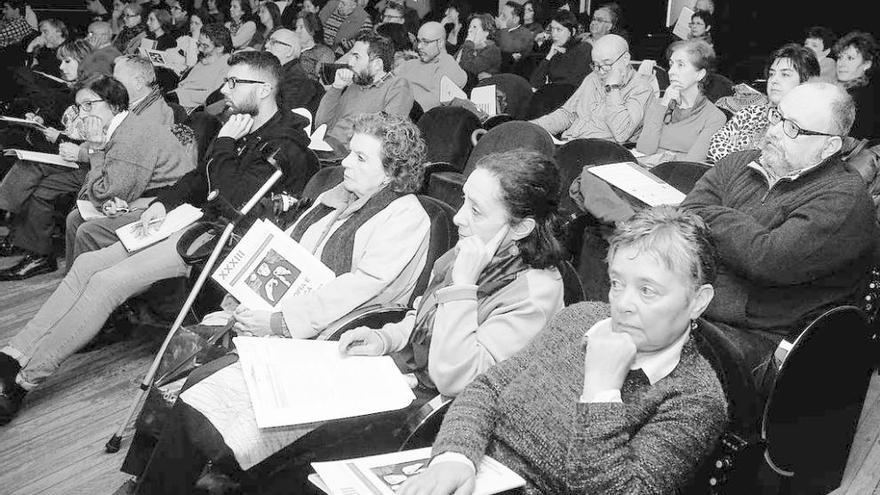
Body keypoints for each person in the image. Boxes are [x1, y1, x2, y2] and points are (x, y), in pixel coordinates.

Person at [0, 52, 319, 424]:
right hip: (194, 220)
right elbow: (199, 178)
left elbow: (236, 202)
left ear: (264, 89)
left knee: (107, 282)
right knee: (89, 263)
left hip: (226, 239)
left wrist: (225, 144)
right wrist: (164, 204)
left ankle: (23, 381)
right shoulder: (242, 125)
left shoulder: (284, 144)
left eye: (234, 82)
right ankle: (14, 353)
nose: (225, 89)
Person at [124, 112, 434, 494]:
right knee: (188, 344)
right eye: (349, 153)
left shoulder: (405, 216)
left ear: (391, 174)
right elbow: (285, 248)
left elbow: (358, 289)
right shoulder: (336, 195)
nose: (346, 163)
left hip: (330, 334)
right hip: (286, 313)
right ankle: (149, 478)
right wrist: (241, 294)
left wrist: (278, 321)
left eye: (360, 158)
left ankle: (176, 479)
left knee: (201, 381)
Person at [398, 206, 727, 495]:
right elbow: (487, 388)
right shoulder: (580, 318)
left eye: (647, 290)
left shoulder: (695, 399)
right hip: (479, 473)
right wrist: (455, 458)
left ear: (697, 301)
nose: (623, 304)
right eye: (616, 282)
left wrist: (601, 391)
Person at [682, 82, 877, 390]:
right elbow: (685, 217)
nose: (772, 131)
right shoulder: (738, 162)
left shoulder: (844, 200)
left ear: (829, 147)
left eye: (793, 128)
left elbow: (765, 259)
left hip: (762, 342)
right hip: (693, 303)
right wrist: (740, 237)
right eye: (777, 116)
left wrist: (711, 216)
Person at [339, 148, 565, 396]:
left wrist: (463, 287)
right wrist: (385, 339)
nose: (458, 217)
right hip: (415, 377)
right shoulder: (473, 250)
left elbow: (458, 380)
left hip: (455, 413)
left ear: (521, 227)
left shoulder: (534, 295)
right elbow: (426, 317)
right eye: (464, 200)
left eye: (476, 211)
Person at [0, 74, 194, 281]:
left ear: (114, 105)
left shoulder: (131, 137)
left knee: (84, 227)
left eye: (88, 105)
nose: (82, 115)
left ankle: (79, 286)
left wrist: (94, 149)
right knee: (74, 217)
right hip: (145, 195)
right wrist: (94, 149)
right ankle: (74, 283)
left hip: (167, 206)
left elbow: (103, 196)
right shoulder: (121, 124)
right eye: (79, 107)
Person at [531, 34, 653, 143]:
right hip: (570, 143)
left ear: (625, 59)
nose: (600, 72)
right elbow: (567, 115)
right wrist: (531, 127)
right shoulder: (593, 78)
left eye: (606, 64)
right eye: (596, 64)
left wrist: (612, 88)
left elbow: (622, 134)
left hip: (603, 151)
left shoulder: (641, 88)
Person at [707, 44, 819, 163]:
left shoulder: (805, 126)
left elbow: (778, 166)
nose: (774, 80)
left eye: (785, 74)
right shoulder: (750, 113)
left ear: (805, 82)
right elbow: (714, 148)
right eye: (771, 74)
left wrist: (737, 152)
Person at [315, 32, 413, 153]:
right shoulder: (354, 84)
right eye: (351, 56)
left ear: (377, 65)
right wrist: (336, 87)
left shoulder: (397, 87)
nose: (350, 63)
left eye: (356, 57)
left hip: (351, 155)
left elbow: (388, 134)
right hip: (325, 148)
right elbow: (321, 125)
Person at [636, 39, 726, 164]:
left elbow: (691, 163)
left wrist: (659, 156)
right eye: (671, 64)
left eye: (681, 65)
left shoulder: (714, 117)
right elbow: (644, 149)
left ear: (700, 74)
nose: (671, 71)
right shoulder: (658, 104)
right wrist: (663, 106)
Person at [398, 21, 466, 111]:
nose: (419, 47)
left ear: (440, 43)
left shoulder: (449, 67)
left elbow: (431, 102)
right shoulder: (410, 64)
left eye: (426, 42)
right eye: (418, 41)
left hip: (411, 116)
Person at [168, 22, 231, 108]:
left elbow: (212, 97)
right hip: (177, 97)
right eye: (199, 44)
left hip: (191, 107)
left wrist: (179, 95)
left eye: (205, 46)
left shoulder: (227, 66)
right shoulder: (207, 57)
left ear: (220, 48)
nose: (200, 49)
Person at [529, 10, 590, 95]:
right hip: (553, 97)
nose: (554, 34)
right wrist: (549, 57)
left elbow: (570, 83)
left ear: (572, 31)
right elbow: (534, 82)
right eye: (552, 29)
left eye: (559, 30)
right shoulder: (555, 49)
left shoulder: (583, 49)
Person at [265, 27, 322, 114]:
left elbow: (281, 116)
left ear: (289, 51)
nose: (266, 45)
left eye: (273, 42)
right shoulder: (276, 72)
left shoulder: (296, 80)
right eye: (268, 41)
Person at [834, 31, 879, 139]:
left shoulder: (862, 98)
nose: (841, 64)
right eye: (840, 57)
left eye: (850, 58)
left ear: (866, 64)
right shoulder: (841, 90)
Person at [454, 13, 500, 81]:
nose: (469, 30)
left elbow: (469, 69)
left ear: (486, 32)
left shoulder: (492, 49)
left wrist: (468, 44)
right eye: (470, 27)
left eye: (474, 27)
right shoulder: (468, 46)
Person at [294, 11, 335, 81]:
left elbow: (322, 80)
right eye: (296, 28)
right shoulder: (291, 47)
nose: (296, 31)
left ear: (312, 30)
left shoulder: (325, 52)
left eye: (301, 27)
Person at [494, 1, 532, 69]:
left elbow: (507, 49)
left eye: (504, 16)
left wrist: (503, 28)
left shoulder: (526, 34)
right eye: (500, 14)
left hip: (511, 72)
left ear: (515, 19)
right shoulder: (498, 31)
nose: (499, 18)